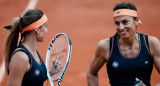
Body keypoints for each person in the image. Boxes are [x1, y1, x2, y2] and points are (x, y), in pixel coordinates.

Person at [87, 2, 160, 86]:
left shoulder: (151, 43)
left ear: (136, 21)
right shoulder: (105, 46)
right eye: (117, 23)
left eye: (125, 22)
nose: (121, 27)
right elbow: (92, 73)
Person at [4, 9, 48, 86]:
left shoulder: (33, 51)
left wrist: (51, 72)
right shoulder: (21, 57)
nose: (46, 30)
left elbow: (34, 78)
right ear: (37, 30)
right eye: (45, 27)